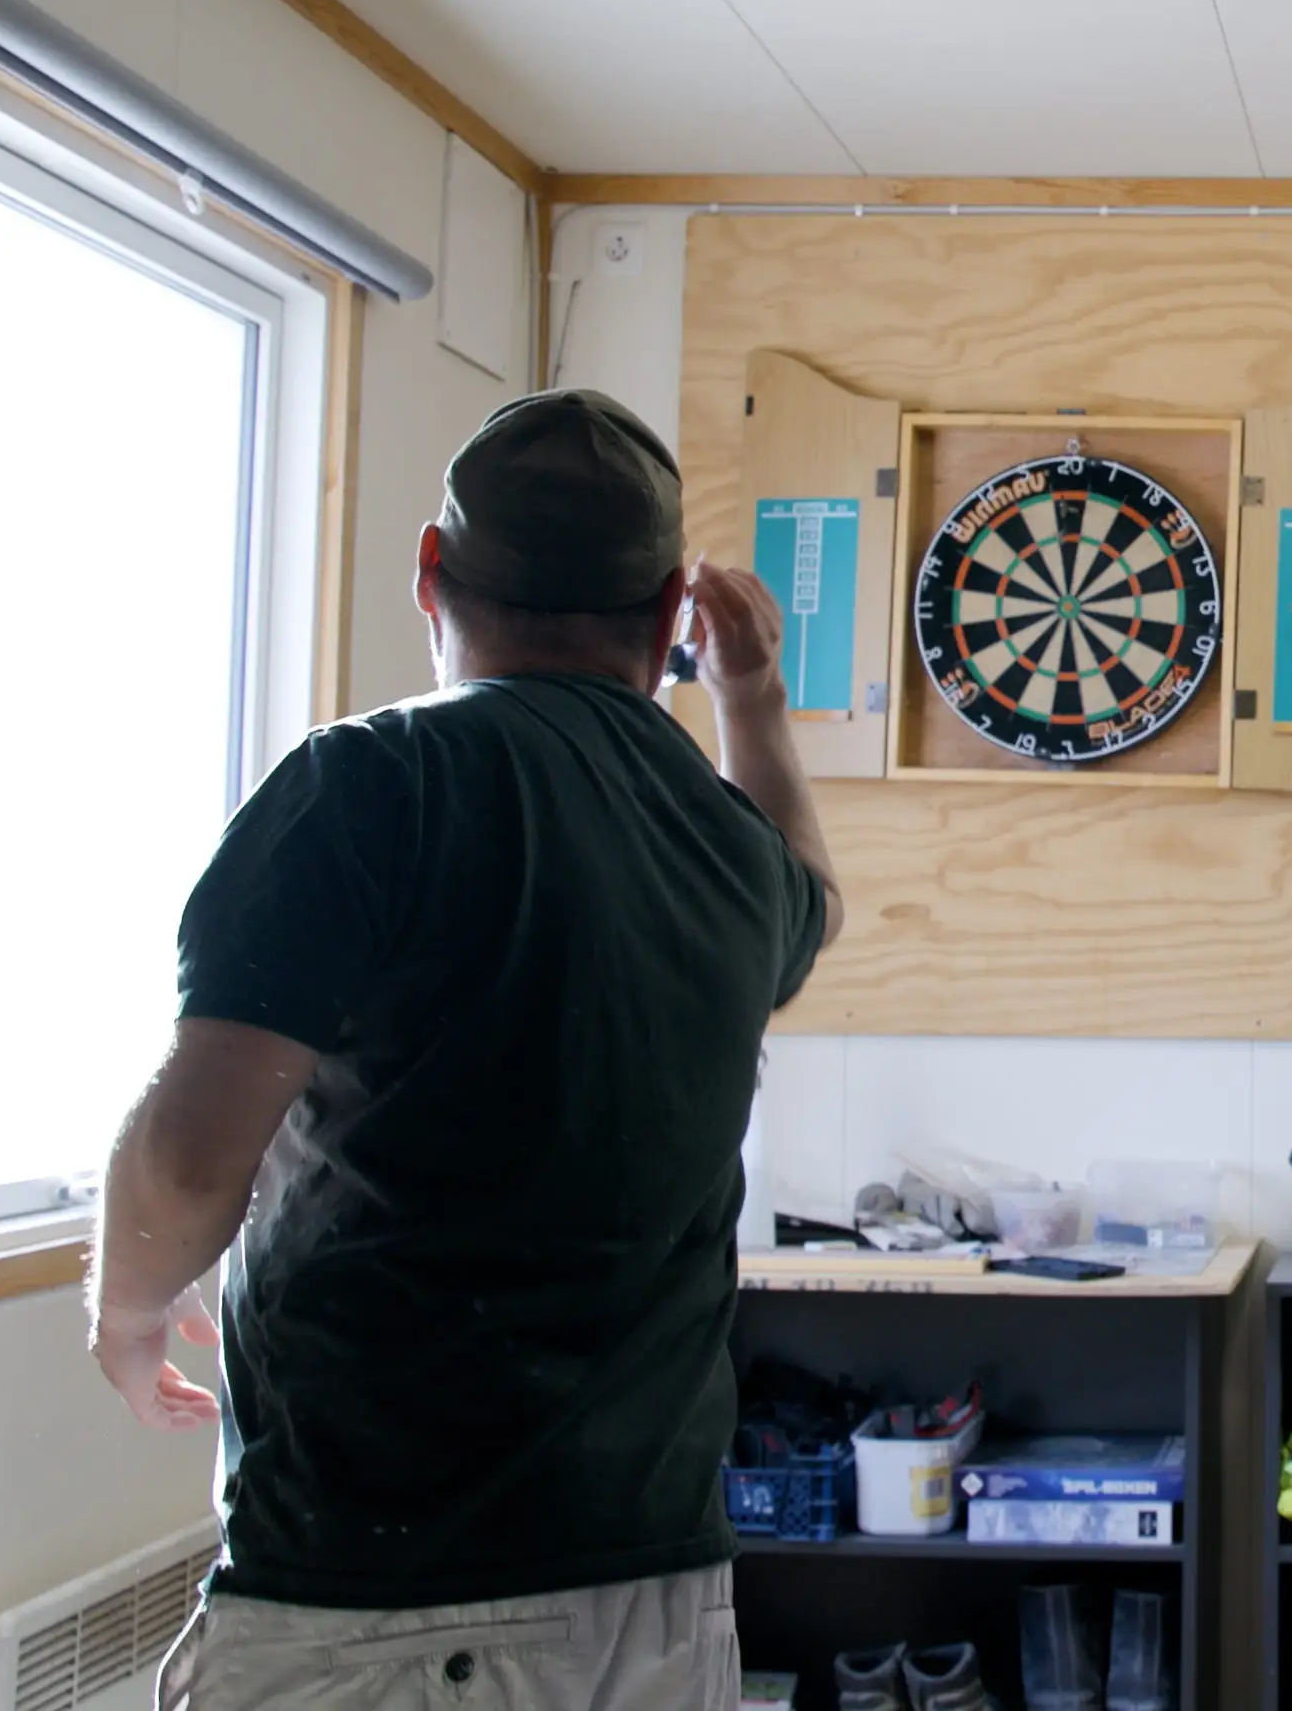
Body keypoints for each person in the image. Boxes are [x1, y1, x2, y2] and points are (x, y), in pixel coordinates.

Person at [87, 389, 841, 1709]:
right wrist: (754, 700)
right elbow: (810, 896)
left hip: (376, 1589)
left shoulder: (367, 783)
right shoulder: (728, 854)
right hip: (655, 1592)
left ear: (430, 574)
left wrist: (128, 1307)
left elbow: (193, 1149)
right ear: (672, 613)